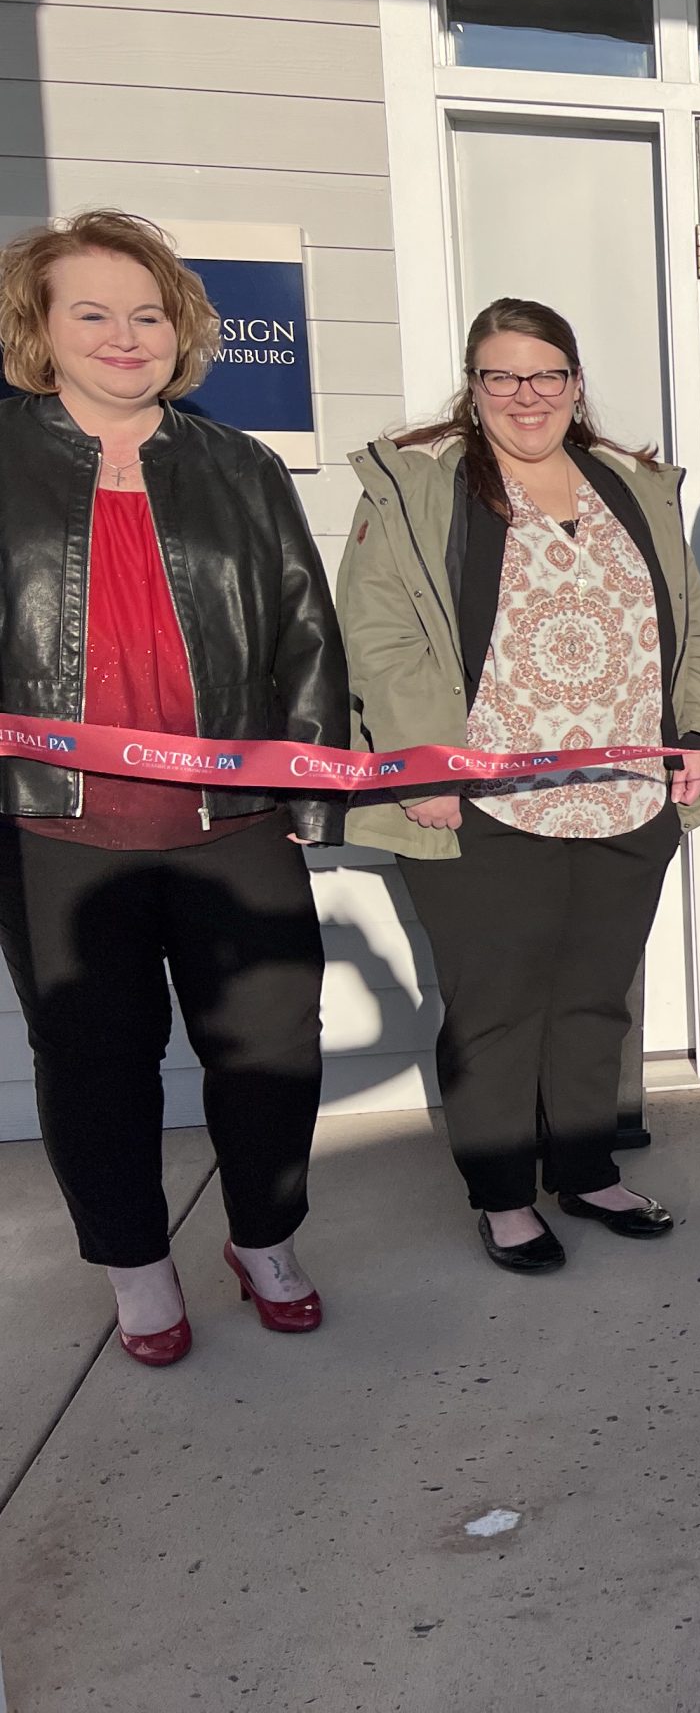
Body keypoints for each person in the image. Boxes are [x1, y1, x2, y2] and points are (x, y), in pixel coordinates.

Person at [0, 210, 347, 1365]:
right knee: (94, 1065)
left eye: (146, 313)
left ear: (182, 329)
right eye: (90, 311)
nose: (123, 334)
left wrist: (309, 799)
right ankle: (136, 1266)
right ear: (41, 330)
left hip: (231, 826)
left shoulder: (237, 465)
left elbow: (305, 629)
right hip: (55, 834)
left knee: (272, 1046)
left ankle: (262, 1237)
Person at [339, 298, 700, 1273]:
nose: (526, 395)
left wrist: (695, 733)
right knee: (498, 1004)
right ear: (472, 388)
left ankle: (587, 1168)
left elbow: (692, 624)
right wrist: (420, 756)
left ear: (575, 382)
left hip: (627, 794)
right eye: (501, 376)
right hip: (481, 798)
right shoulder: (425, 484)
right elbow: (378, 630)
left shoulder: (628, 485)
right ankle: (505, 1194)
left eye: (546, 374)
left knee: (594, 996)